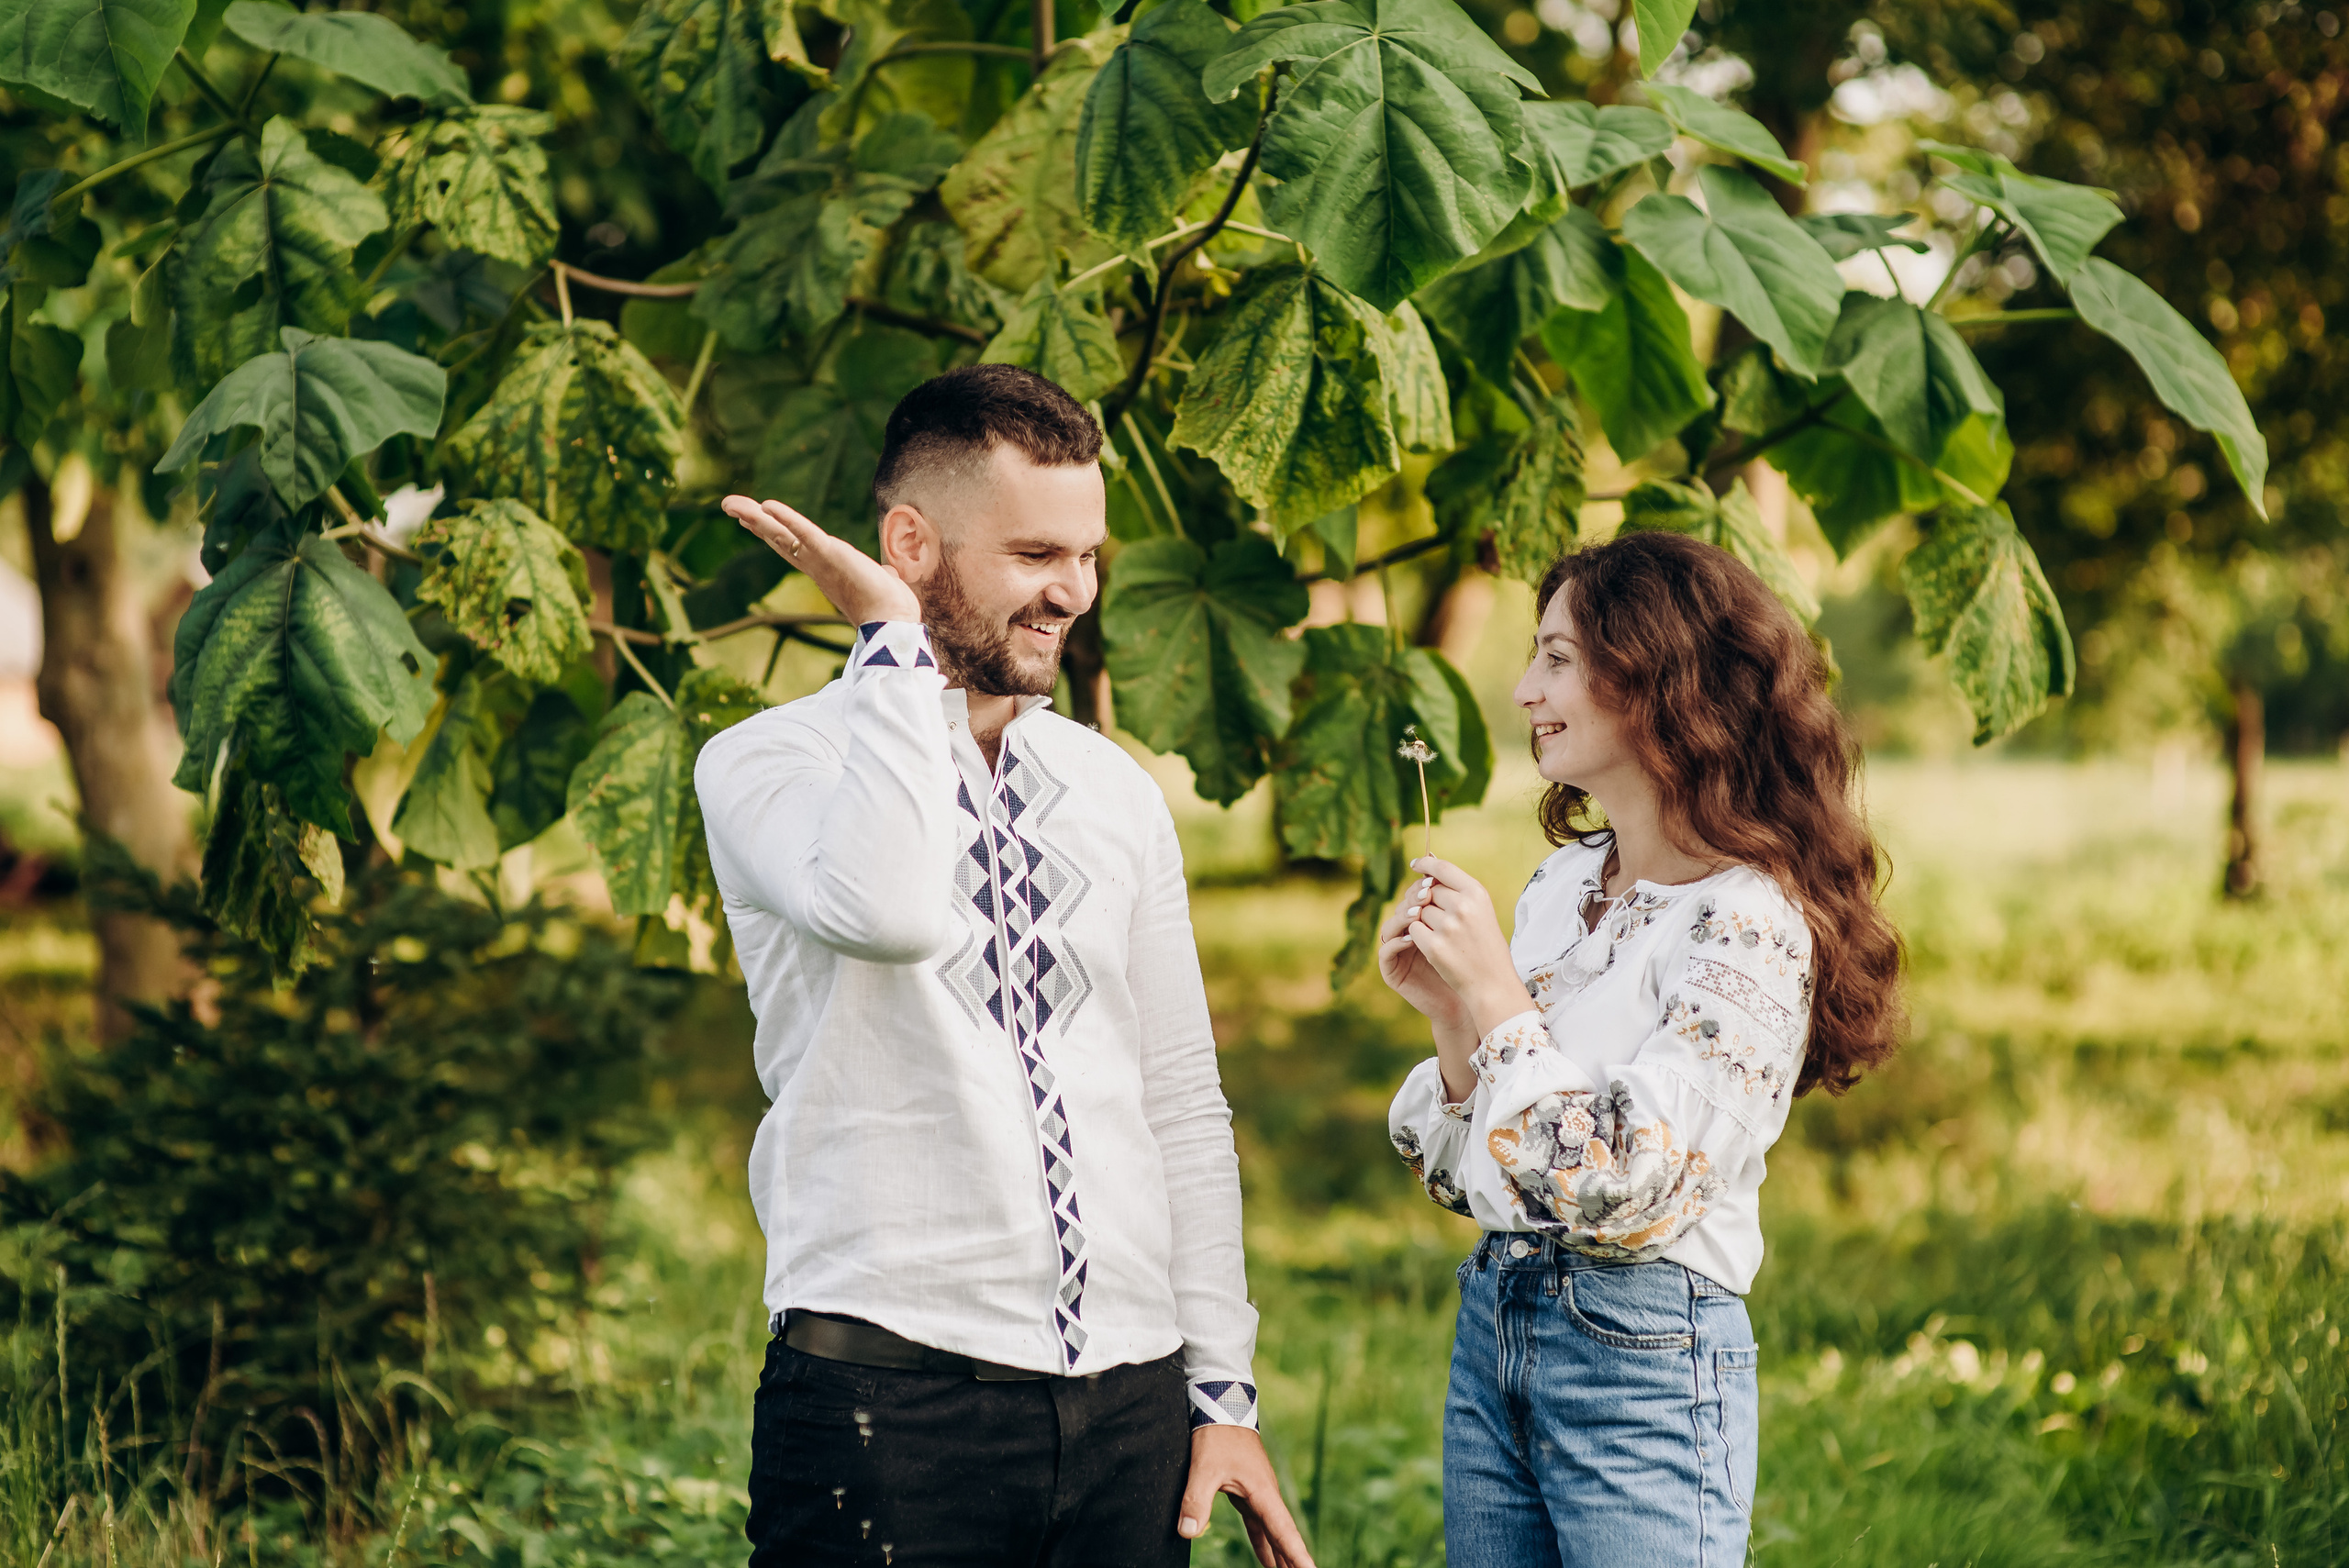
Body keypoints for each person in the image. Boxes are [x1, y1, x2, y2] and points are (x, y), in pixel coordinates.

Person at [697, 364, 1312, 1568]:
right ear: (909, 544)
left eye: (1086, 555)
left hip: (1132, 1413)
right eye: (1036, 554)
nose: (1072, 591)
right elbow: (886, 910)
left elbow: (1180, 1102)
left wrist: (1220, 1392)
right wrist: (891, 643)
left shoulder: (1113, 790)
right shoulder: (768, 763)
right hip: (888, 1408)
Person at [1379, 531, 1904, 1568]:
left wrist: (1496, 998)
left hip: (1642, 1356)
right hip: (1497, 1325)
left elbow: (1629, 1190)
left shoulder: (1746, 923)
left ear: (1658, 679)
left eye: (1558, 659)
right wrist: (1452, 1020)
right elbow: (1478, 1175)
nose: (1525, 689)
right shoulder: (1560, 887)